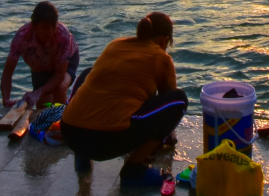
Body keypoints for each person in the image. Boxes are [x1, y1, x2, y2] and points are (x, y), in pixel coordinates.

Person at [61, 12, 188, 186]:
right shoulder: (162, 57)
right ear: (164, 40)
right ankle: (133, 169)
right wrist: (166, 135)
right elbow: (167, 104)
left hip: (70, 133)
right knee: (179, 100)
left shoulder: (115, 45)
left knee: (88, 73)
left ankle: (82, 159)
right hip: (107, 142)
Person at [1, 1, 79, 109]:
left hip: (66, 61)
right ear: (34, 26)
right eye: (45, 27)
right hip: (40, 66)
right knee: (44, 105)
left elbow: (60, 76)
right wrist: (6, 98)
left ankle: (61, 117)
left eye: (53, 26)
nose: (50, 32)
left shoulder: (63, 36)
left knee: (59, 88)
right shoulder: (21, 37)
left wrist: (38, 92)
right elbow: (7, 73)